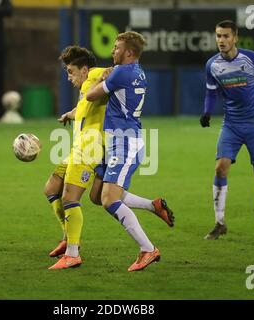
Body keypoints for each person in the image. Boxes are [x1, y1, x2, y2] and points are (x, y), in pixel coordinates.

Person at [45, 46, 175, 270]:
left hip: (91, 147)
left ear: (84, 69)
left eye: (71, 71)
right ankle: (151, 206)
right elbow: (86, 106)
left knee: (70, 197)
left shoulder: (94, 74)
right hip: (83, 145)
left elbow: (109, 72)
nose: (68, 77)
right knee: (62, 190)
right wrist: (70, 114)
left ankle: (73, 253)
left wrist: (108, 71)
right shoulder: (86, 85)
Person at [87, 31, 171, 272]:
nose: (113, 51)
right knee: (97, 195)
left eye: (116, 48)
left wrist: (102, 76)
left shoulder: (121, 72)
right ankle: (152, 205)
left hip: (125, 143)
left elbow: (92, 96)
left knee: (108, 199)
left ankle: (148, 249)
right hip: (118, 141)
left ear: (129, 53)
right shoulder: (138, 71)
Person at [199, 20, 254, 240]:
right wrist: (207, 112)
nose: (221, 41)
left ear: (235, 37)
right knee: (220, 168)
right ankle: (219, 223)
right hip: (231, 124)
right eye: (218, 36)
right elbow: (211, 92)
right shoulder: (212, 65)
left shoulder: (252, 59)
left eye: (225, 36)